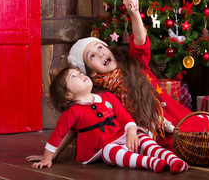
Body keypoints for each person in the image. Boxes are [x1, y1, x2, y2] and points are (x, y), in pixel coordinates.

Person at [67, 0, 209, 151]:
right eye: (92, 56)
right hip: (149, 133)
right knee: (177, 146)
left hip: (173, 117)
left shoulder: (133, 63)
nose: (100, 53)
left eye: (100, 47)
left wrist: (134, 13)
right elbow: (76, 123)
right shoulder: (101, 96)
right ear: (91, 72)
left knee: (196, 130)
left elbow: (140, 42)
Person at [27, 67, 188, 174]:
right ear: (68, 95)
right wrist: (48, 157)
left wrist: (132, 132)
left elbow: (125, 117)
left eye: (79, 72)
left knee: (144, 139)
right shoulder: (72, 112)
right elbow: (58, 135)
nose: (81, 74)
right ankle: (151, 163)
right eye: (74, 76)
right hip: (99, 148)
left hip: (122, 136)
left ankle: (172, 159)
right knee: (110, 151)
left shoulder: (107, 97)